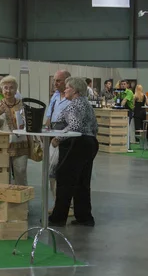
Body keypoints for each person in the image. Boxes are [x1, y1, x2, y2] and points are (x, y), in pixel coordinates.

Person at [48, 77, 99, 227]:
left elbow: (74, 125)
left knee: (65, 181)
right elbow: (95, 127)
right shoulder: (87, 105)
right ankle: (85, 217)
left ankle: (58, 218)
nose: (65, 90)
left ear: (75, 90)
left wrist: (58, 138)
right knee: (82, 183)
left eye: (68, 87)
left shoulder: (73, 105)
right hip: (89, 143)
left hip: (74, 144)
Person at [0, 76, 30, 186]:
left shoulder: (23, 105)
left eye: (11, 88)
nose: (8, 91)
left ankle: (21, 200)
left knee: (20, 172)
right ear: (1, 90)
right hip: (2, 145)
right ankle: (5, 199)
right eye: (5, 88)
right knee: (3, 173)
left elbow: (29, 123)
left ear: (16, 90)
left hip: (20, 144)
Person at [45, 70, 72, 212]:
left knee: (65, 172)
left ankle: (67, 206)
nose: (55, 83)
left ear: (67, 80)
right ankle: (57, 203)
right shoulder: (55, 96)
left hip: (67, 138)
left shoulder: (72, 98)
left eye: (58, 81)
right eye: (54, 80)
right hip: (53, 136)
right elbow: (49, 115)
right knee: (52, 171)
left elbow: (73, 123)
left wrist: (61, 137)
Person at [118, 80, 135, 146]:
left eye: (124, 84)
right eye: (121, 84)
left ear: (127, 85)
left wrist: (120, 106)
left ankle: (127, 144)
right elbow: (115, 99)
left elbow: (124, 101)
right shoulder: (120, 92)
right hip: (122, 112)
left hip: (129, 111)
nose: (123, 85)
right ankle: (121, 142)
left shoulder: (129, 92)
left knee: (126, 127)